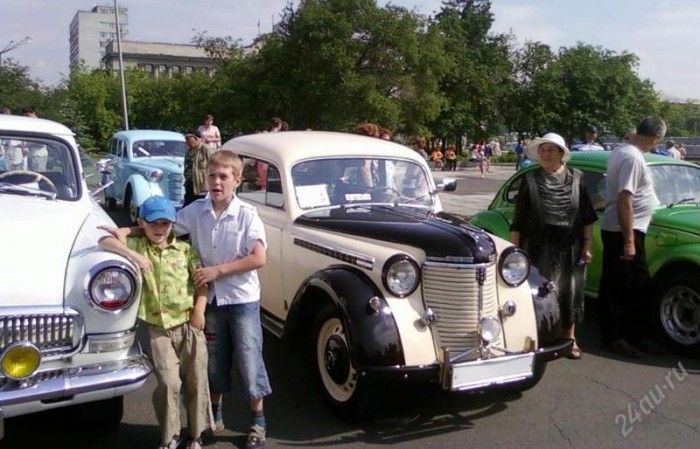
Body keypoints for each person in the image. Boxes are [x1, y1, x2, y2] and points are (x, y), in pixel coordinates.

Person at [104, 151, 271, 448]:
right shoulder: (196, 211)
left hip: (241, 297)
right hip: (210, 299)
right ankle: (213, 417)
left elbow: (258, 258)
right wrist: (125, 230)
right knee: (214, 360)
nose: (216, 182)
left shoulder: (247, 214)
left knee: (248, 356)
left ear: (237, 180)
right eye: (211, 176)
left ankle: (257, 422)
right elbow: (161, 226)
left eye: (223, 177)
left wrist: (217, 271)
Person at [99, 196, 210, 449]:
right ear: (142, 222)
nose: (160, 229)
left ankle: (196, 434)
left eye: (166, 224)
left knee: (196, 380)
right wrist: (132, 253)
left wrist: (200, 311)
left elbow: (202, 284)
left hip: (189, 324)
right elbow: (105, 241)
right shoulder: (140, 246)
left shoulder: (184, 250)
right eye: (154, 224)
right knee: (169, 382)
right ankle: (170, 436)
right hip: (159, 328)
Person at [510, 133, 597, 360]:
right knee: (538, 291)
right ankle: (537, 338)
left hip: (571, 245)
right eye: (543, 150)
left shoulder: (577, 178)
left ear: (561, 153)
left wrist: (587, 245)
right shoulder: (529, 180)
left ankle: (570, 339)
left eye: (551, 149)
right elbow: (518, 220)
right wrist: (514, 252)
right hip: (538, 245)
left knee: (571, 290)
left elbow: (587, 216)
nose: (546, 154)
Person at [598, 116, 667, 358]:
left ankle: (623, 335)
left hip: (624, 229)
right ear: (656, 137)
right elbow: (624, 199)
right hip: (624, 231)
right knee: (630, 287)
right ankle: (619, 337)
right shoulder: (633, 157)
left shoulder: (623, 151)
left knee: (623, 285)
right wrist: (629, 241)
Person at [183, 129, 214, 206]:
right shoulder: (189, 151)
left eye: (188, 139)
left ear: (196, 138)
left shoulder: (205, 149)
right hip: (190, 184)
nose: (186, 142)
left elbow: (214, 164)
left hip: (201, 186)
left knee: (200, 206)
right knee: (187, 207)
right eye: (186, 139)